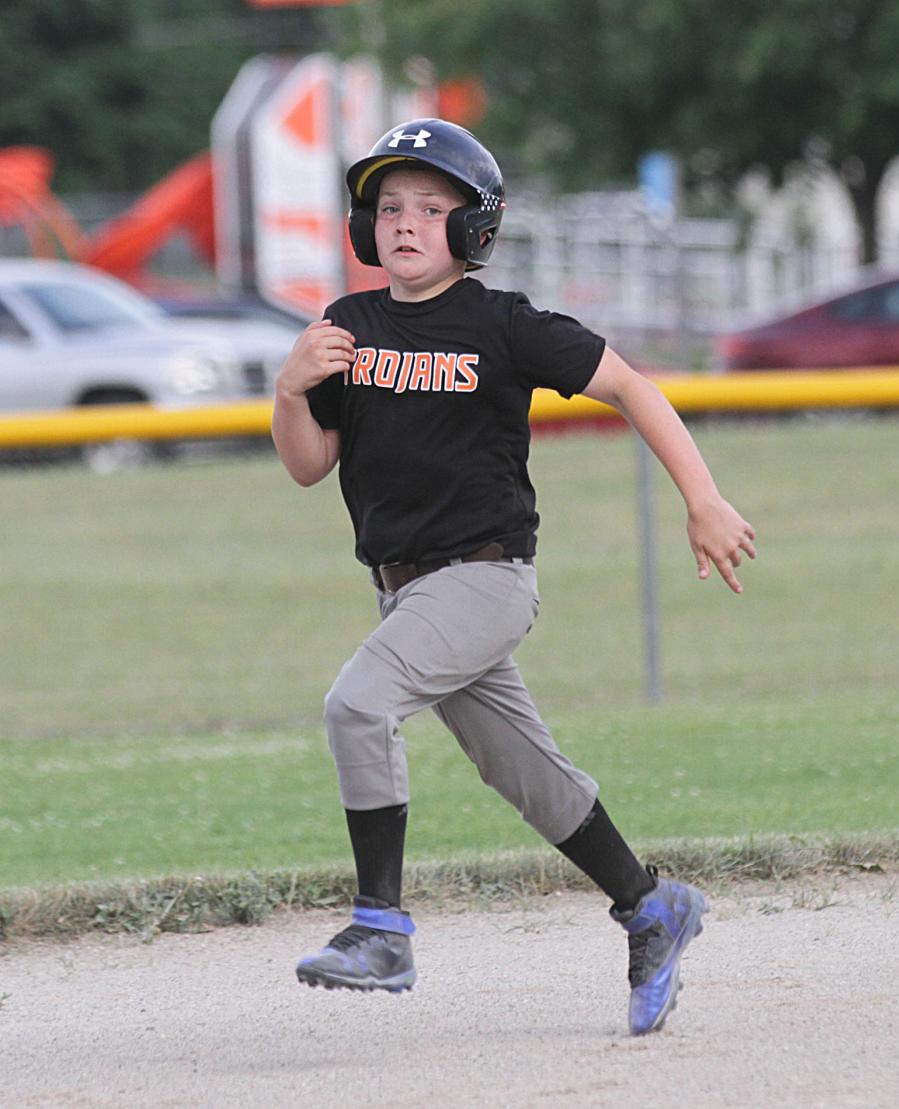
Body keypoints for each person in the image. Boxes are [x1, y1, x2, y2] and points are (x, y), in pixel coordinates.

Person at [272, 119, 756, 1035]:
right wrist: (290, 390)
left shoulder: (504, 324)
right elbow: (308, 464)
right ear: (361, 226)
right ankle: (652, 906)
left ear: (475, 229)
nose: (405, 223)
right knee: (526, 773)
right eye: (388, 207)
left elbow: (633, 389)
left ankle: (381, 926)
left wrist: (704, 498)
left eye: (430, 207)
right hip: (407, 589)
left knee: (357, 704)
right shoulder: (347, 327)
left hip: (486, 579)